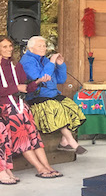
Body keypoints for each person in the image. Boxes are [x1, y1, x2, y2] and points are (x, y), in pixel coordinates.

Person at [0, 36, 61, 182]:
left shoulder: (16, 65)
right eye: (4, 47)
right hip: (6, 108)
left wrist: (38, 82)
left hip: (21, 106)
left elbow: (25, 88)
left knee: (34, 136)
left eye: (10, 46)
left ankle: (47, 166)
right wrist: (15, 88)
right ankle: (39, 168)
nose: (9, 49)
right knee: (23, 137)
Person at [19, 36, 87, 154]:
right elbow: (41, 78)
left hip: (52, 95)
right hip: (37, 98)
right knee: (56, 109)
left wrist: (60, 65)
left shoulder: (44, 60)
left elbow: (61, 79)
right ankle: (72, 142)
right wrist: (51, 62)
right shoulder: (27, 61)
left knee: (72, 107)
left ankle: (64, 142)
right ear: (30, 48)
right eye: (39, 46)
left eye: (44, 46)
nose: (43, 48)